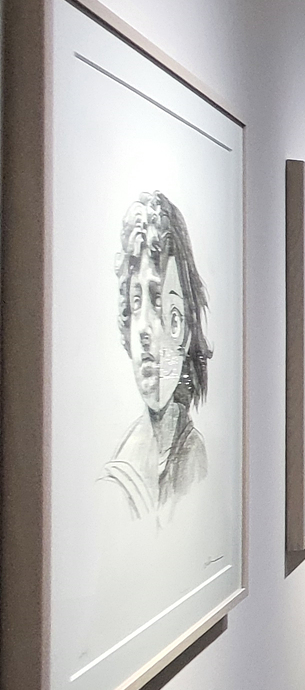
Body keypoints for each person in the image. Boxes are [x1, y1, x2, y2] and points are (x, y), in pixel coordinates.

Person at [103, 192, 212, 521]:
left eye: (159, 300)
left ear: (185, 325)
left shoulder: (193, 454)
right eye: (136, 302)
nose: (144, 329)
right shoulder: (122, 475)